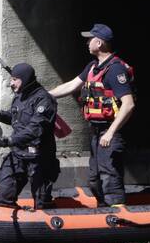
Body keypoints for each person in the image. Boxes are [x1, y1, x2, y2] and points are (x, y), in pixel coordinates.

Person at [49, 24, 135, 206]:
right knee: (94, 179)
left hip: (110, 132)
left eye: (90, 39)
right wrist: (44, 95)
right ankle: (104, 211)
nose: (87, 43)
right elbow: (71, 85)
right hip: (96, 133)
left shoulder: (115, 70)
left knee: (109, 176)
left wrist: (111, 132)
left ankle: (117, 215)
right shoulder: (92, 67)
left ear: (100, 43)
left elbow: (128, 104)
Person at [0, 63, 60, 210]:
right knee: (3, 196)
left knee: (41, 204)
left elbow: (35, 130)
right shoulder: (20, 96)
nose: (10, 84)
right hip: (18, 154)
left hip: (39, 157)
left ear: (25, 79)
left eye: (14, 79)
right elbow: (15, 118)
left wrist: (6, 141)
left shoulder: (44, 100)